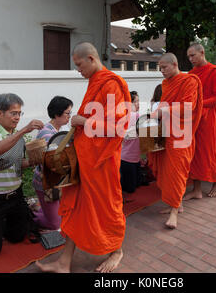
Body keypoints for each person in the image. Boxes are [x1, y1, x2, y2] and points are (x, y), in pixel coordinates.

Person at [36, 42, 131, 273]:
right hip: (84, 161)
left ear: (91, 58)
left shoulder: (111, 84)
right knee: (75, 209)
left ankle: (116, 251)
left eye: (79, 64)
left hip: (102, 163)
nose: (77, 69)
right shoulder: (95, 83)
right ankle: (63, 262)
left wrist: (85, 122)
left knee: (108, 208)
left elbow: (119, 127)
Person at [148, 53, 203, 229]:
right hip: (167, 131)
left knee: (177, 171)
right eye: (160, 68)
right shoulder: (165, 84)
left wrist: (163, 111)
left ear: (174, 63)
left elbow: (188, 106)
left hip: (182, 133)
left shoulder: (189, 81)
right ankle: (174, 204)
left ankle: (174, 211)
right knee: (167, 171)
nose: (162, 71)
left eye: (164, 67)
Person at [0, 93, 44, 257]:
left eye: (19, 113)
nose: (17, 117)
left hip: (15, 195)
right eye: (13, 113)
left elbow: (19, 164)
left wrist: (36, 160)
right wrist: (25, 130)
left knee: (17, 236)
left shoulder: (17, 136)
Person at [184, 43, 216, 200]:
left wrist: (199, 103)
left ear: (202, 53)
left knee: (211, 150)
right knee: (194, 153)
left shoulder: (215, 71)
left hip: (210, 118)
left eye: (193, 55)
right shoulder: (191, 74)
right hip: (194, 118)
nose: (190, 59)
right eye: (189, 56)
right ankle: (196, 189)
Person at [32, 96, 73, 230]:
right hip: (47, 183)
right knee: (55, 225)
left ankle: (42, 210)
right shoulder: (46, 133)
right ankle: (31, 216)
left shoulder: (61, 129)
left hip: (58, 181)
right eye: (67, 113)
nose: (69, 116)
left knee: (64, 216)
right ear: (57, 114)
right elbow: (51, 164)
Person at [120, 91, 141, 200]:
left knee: (132, 186)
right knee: (131, 188)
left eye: (138, 101)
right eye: (135, 101)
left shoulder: (125, 116)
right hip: (128, 158)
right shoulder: (134, 115)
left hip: (130, 157)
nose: (138, 104)